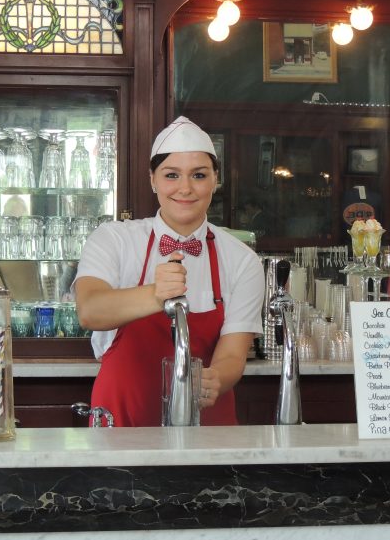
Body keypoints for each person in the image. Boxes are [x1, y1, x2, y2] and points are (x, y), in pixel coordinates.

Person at [75, 116, 265, 427]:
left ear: (216, 180)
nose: (185, 188)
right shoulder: (114, 239)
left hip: (206, 428)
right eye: (171, 175)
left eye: (199, 175)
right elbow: (90, 310)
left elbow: (233, 353)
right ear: (152, 179)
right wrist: (154, 294)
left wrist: (215, 378)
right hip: (122, 424)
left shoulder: (241, 259)